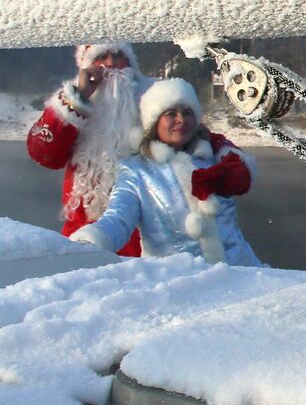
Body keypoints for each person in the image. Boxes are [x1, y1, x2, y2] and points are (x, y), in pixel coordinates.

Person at [70, 78, 260, 266]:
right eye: (171, 113)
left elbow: (242, 175)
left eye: (187, 113)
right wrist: (92, 240)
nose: (181, 120)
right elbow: (118, 218)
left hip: (241, 273)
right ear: (154, 123)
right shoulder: (136, 170)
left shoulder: (215, 158)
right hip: (178, 280)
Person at [27, 43, 149, 255]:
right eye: (102, 56)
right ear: (87, 64)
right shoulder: (72, 101)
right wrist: (79, 97)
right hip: (82, 243)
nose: (111, 64)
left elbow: (197, 139)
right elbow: (43, 154)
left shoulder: (153, 99)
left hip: (145, 248)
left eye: (119, 56)